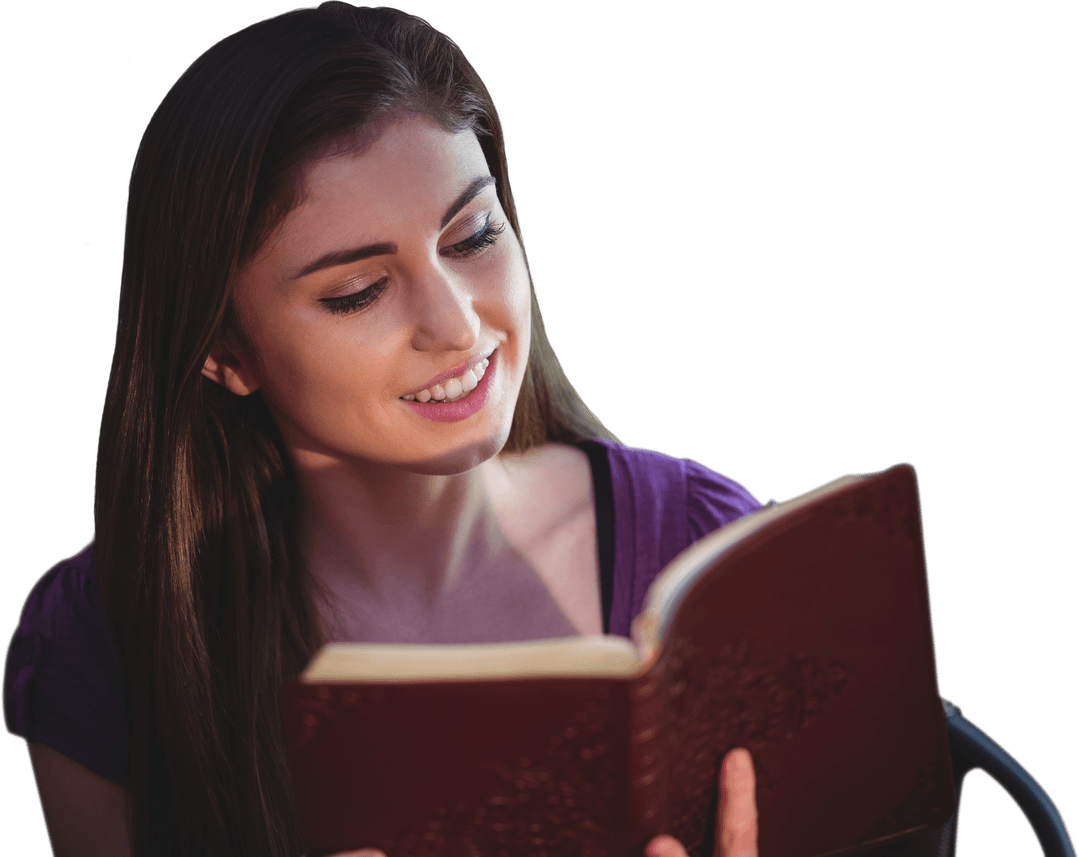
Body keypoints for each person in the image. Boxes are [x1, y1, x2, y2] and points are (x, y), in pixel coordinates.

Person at [3, 3, 761, 856]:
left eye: (474, 235)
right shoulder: (105, 639)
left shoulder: (709, 545)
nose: (456, 326)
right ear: (223, 351)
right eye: (358, 291)